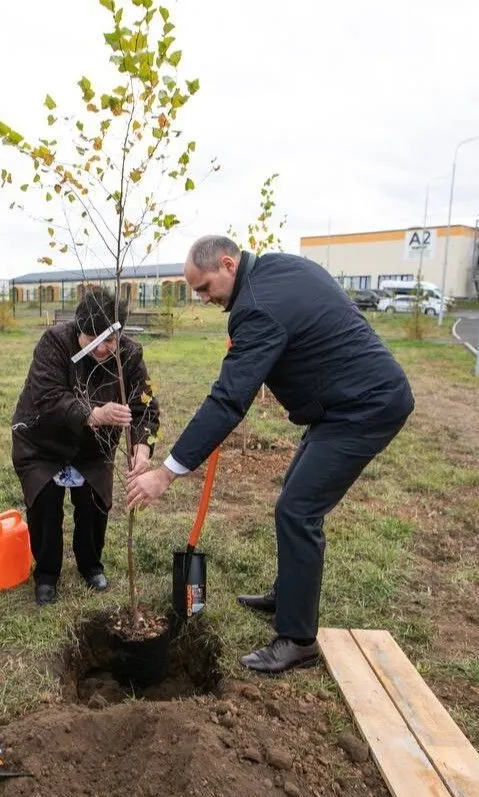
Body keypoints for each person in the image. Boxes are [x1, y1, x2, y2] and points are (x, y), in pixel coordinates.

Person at [127, 236, 414, 674]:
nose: (203, 299)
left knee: (298, 512)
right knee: (293, 499)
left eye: (205, 288)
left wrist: (166, 473)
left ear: (227, 264)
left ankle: (297, 639)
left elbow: (228, 400)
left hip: (364, 407)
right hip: (342, 400)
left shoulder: (257, 306)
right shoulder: (279, 268)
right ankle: (288, 595)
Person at [12, 287, 160, 606]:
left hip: (94, 448)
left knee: (94, 506)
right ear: (78, 329)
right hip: (44, 440)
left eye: (109, 340)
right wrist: (93, 414)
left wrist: (143, 446)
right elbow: (47, 397)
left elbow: (145, 406)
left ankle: (91, 565)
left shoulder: (130, 355)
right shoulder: (54, 342)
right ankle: (47, 574)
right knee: (45, 507)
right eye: (92, 338)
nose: (103, 348)